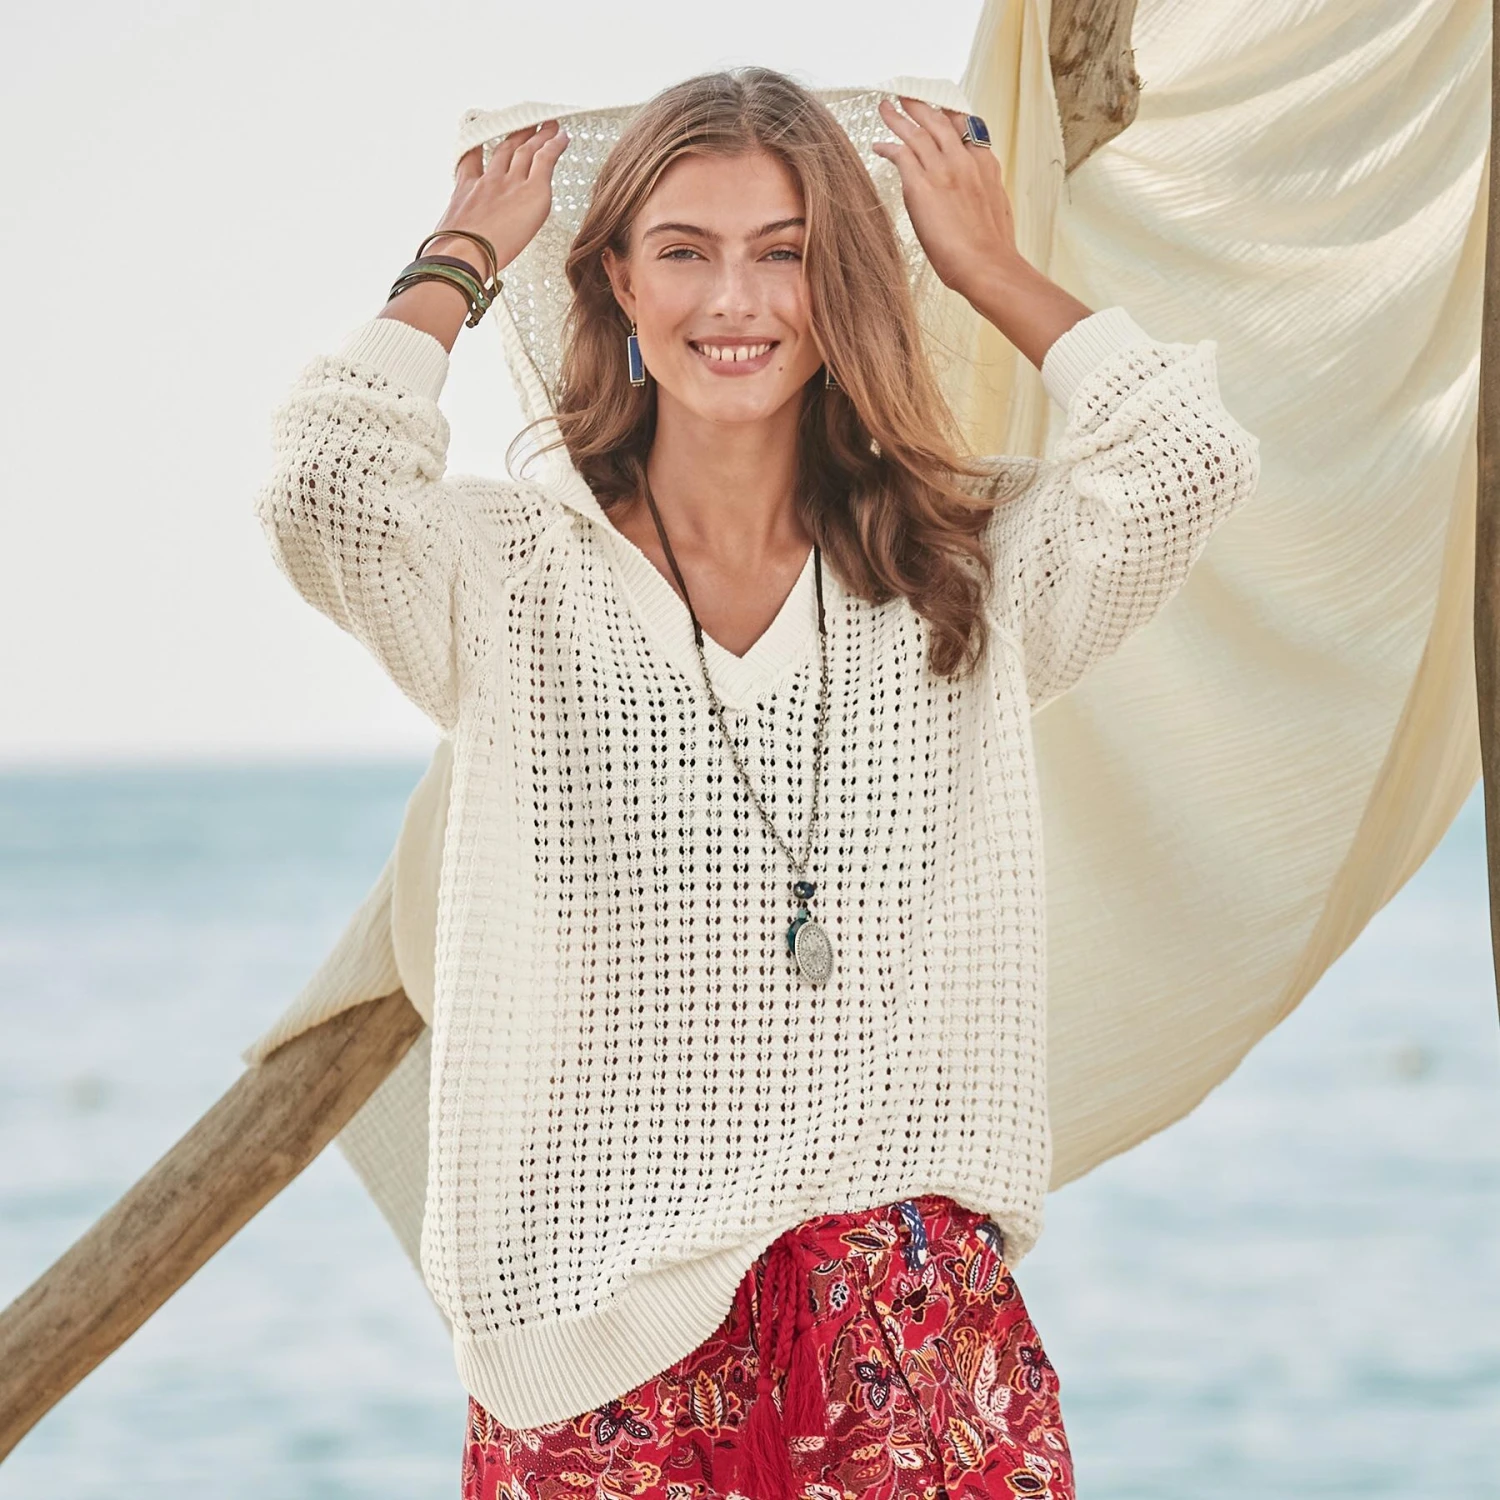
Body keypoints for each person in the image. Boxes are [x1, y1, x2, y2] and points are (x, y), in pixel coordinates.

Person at [253, 67, 1260, 1500]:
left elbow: (1185, 460)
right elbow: (325, 491)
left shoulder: (957, 567)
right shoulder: (511, 580)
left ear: (839, 283)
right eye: (684, 249)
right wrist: (460, 258)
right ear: (617, 280)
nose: (735, 299)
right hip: (596, 1351)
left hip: (906, 1340)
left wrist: (983, 265)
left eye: (785, 252)